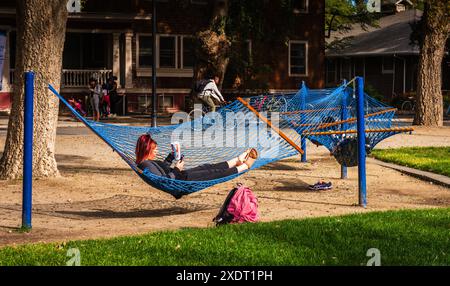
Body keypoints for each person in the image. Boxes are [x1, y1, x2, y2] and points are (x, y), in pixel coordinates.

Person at [135, 134, 258, 181]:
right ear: (147, 150)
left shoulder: (147, 162)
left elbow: (163, 171)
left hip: (182, 176)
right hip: (181, 181)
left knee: (208, 167)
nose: (156, 150)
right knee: (215, 174)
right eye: (154, 148)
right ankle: (244, 166)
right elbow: (164, 180)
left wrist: (171, 156)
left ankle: (237, 160)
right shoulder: (145, 165)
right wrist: (177, 169)